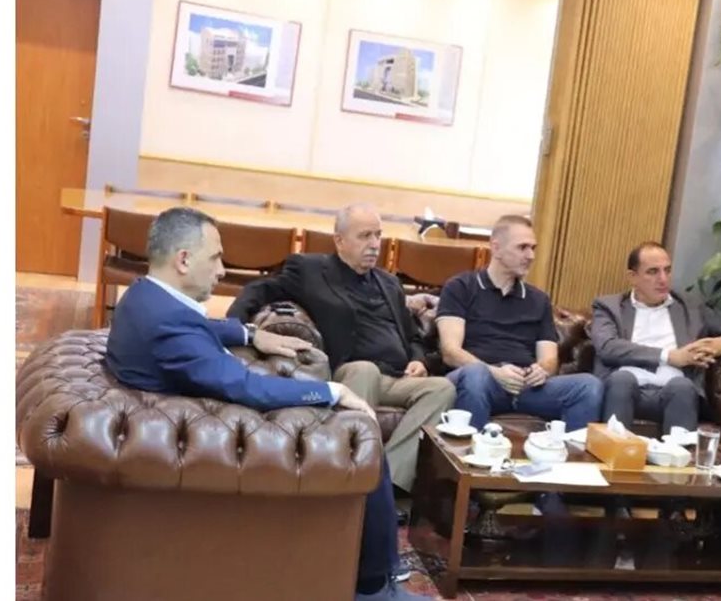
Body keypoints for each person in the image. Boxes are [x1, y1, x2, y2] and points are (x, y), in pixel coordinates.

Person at [105, 207, 428, 601]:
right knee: (364, 442)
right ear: (184, 260)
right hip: (226, 442)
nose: (222, 270)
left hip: (198, 429)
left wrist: (249, 333)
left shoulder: (145, 297)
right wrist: (331, 392)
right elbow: (247, 388)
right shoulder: (168, 323)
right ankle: (374, 590)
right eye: (216, 258)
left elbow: (195, 328)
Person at [228, 203, 455, 493]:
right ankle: (351, 476)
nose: (374, 244)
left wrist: (419, 360)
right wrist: (235, 331)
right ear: (340, 241)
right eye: (364, 236)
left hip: (396, 377)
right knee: (365, 369)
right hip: (349, 372)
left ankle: (386, 482)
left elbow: (412, 335)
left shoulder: (389, 283)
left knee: (442, 388)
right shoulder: (310, 270)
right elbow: (259, 290)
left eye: (378, 235)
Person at [434, 215, 603, 431]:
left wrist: (542, 370)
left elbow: (549, 359)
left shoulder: (539, 300)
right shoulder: (460, 287)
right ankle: (469, 451)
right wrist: (495, 373)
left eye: (533, 248)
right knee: (476, 374)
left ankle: (569, 453)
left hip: (525, 386)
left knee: (589, 385)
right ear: (496, 248)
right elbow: (450, 352)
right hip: (480, 381)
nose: (531, 256)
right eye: (522, 247)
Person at [591, 241, 721, 436]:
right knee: (621, 380)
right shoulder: (610, 307)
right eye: (653, 272)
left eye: (667, 270)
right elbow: (607, 347)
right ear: (632, 277)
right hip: (624, 390)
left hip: (674, 392)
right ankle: (613, 450)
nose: (663, 279)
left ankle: (679, 454)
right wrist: (670, 356)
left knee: (682, 386)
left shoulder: (690, 306)